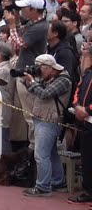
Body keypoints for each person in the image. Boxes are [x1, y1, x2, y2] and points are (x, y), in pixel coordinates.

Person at [20, 53, 72, 198]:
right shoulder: (49, 77)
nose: (38, 70)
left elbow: (44, 94)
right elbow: (35, 92)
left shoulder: (63, 80)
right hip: (42, 118)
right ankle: (58, 182)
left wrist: (33, 81)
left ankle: (43, 187)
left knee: (41, 154)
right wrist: (26, 82)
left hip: (49, 120)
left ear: (49, 67)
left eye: (40, 67)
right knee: (51, 153)